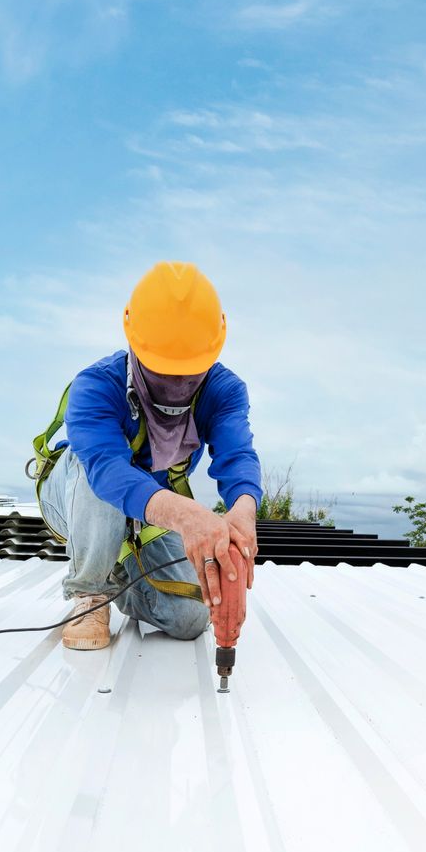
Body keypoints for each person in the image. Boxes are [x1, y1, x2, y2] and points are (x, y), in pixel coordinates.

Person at [30, 262, 261, 651]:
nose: (176, 386)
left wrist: (243, 510)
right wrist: (188, 516)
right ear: (135, 345)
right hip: (79, 499)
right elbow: (107, 471)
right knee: (96, 471)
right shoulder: (96, 386)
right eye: (164, 372)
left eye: (189, 373)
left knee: (190, 618)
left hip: (144, 512)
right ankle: (90, 593)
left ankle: (119, 575)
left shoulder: (224, 391)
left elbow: (238, 455)